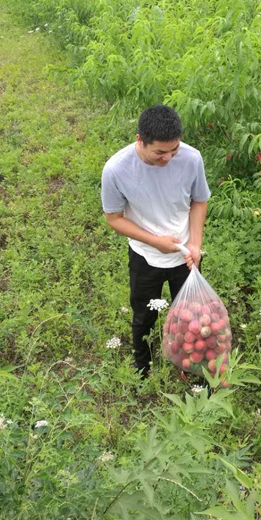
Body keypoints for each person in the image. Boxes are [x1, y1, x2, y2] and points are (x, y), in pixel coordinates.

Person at [101, 104, 210, 377]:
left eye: (174, 149)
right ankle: (143, 368)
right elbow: (113, 218)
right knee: (143, 316)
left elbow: (199, 200)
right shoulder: (116, 169)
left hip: (185, 254)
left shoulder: (191, 158)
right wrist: (154, 241)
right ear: (140, 140)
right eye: (160, 153)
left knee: (191, 317)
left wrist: (195, 245)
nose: (168, 158)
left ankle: (190, 367)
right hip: (145, 256)